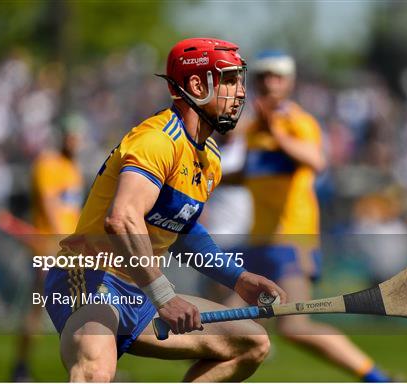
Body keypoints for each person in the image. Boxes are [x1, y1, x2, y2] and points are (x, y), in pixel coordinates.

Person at [44, 38, 286, 382]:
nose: (242, 92)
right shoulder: (157, 140)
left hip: (138, 290)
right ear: (197, 85)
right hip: (88, 277)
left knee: (251, 343)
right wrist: (164, 296)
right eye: (230, 80)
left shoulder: (209, 158)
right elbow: (122, 219)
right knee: (96, 369)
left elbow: (182, 231)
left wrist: (238, 279)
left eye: (239, 80)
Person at [238, 50, 392, 382]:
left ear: (290, 82)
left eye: (277, 77)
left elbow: (317, 161)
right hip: (258, 241)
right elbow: (251, 175)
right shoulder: (252, 132)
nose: (269, 84)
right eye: (263, 77)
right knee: (230, 324)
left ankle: (378, 378)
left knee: (294, 325)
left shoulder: (298, 122)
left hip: (291, 240)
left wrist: (276, 130)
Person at [11, 120, 84, 381]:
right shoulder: (48, 165)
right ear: (63, 136)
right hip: (51, 248)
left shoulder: (72, 168)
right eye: (73, 136)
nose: (77, 141)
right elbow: (52, 209)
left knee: (81, 310)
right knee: (37, 308)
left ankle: (90, 366)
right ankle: (21, 365)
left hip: (69, 249)